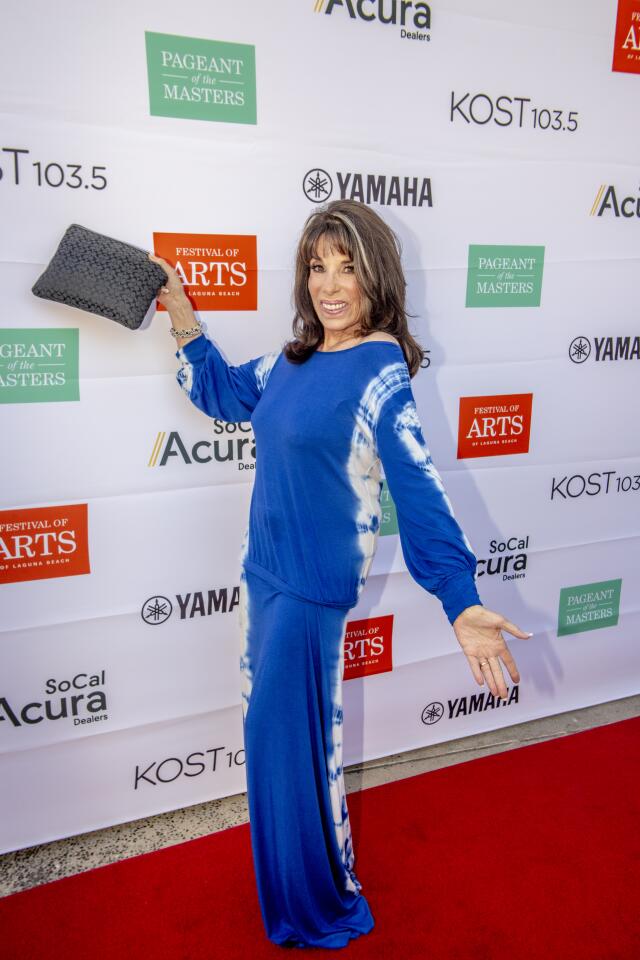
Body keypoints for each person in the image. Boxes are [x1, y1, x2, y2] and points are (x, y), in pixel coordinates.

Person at [148, 199, 531, 950]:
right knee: (279, 748)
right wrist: (183, 314)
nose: (330, 285)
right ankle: (306, 883)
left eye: (347, 268)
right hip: (261, 575)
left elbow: (419, 490)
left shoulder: (380, 368)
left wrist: (459, 597)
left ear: (374, 278)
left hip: (308, 595)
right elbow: (222, 392)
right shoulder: (291, 361)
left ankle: (315, 901)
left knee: (288, 748)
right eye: (318, 267)